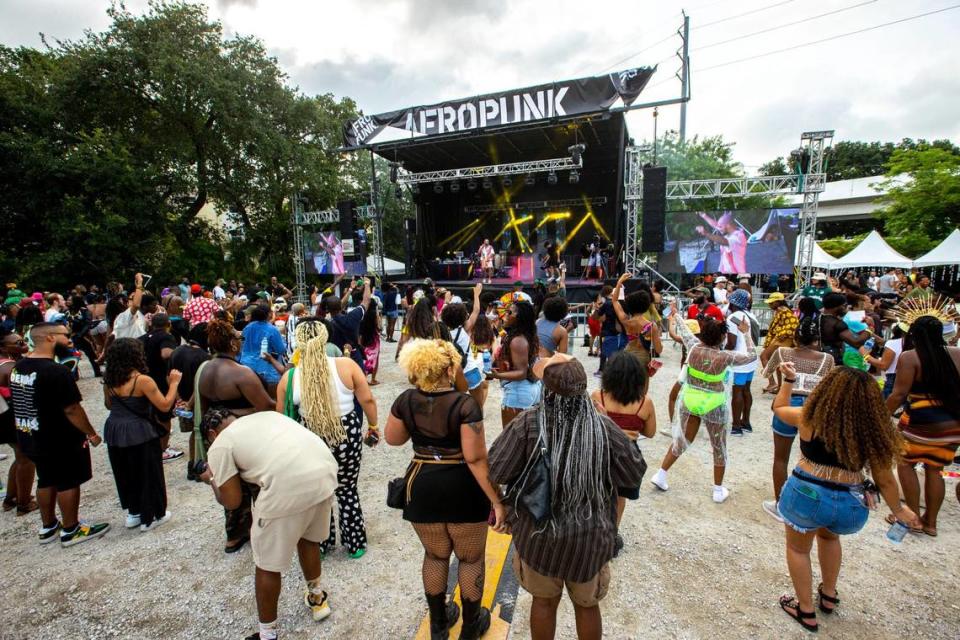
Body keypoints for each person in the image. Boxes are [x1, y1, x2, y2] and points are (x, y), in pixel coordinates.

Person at [489, 354, 646, 640]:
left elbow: (496, 468)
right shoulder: (603, 427)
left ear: (546, 390)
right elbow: (633, 474)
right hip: (589, 539)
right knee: (587, 606)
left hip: (539, 536)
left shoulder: (528, 424)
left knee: (544, 602)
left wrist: (501, 504)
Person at [771, 364, 920, 633]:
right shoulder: (871, 432)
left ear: (827, 391)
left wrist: (789, 380)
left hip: (807, 493)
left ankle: (805, 610)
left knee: (797, 549)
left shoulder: (808, 418)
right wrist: (899, 510)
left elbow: (779, 409)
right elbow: (885, 479)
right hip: (851, 504)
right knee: (830, 537)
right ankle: (828, 594)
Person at [385, 338, 505, 639]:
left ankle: (439, 625)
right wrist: (498, 501)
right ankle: (471, 624)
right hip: (463, 487)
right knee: (471, 558)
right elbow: (476, 458)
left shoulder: (405, 401)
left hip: (422, 485)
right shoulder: (464, 405)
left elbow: (393, 439)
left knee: (435, 556)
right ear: (450, 367)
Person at [198, 410, 337, 640]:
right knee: (308, 539)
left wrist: (211, 479)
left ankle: (267, 634)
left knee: (267, 564)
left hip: (285, 486)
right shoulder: (266, 416)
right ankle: (317, 598)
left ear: (211, 433)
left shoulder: (220, 444)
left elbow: (232, 501)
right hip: (324, 472)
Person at [276, 320, 378, 558]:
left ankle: (321, 544)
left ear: (298, 343)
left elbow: (280, 415)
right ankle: (355, 544)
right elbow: (368, 400)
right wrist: (373, 426)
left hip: (309, 436)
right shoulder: (346, 365)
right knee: (347, 489)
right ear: (325, 339)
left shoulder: (290, 377)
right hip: (345, 431)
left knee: (317, 493)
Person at [9, 323, 109, 546]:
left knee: (46, 478)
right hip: (58, 436)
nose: (70, 339)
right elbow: (72, 408)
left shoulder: (20, 367)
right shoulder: (56, 371)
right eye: (65, 336)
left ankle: (48, 525)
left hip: (31, 433)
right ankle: (71, 528)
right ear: (50, 338)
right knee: (68, 480)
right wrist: (91, 433)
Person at [653, 306, 756, 502]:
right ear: (722, 338)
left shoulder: (693, 347)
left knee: (682, 440)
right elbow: (751, 355)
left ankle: (661, 474)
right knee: (718, 446)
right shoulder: (725, 357)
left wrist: (675, 314)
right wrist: (746, 333)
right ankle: (718, 490)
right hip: (714, 403)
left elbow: (684, 330)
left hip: (690, 399)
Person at [198, 319, 275, 553]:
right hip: (244, 436)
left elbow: (204, 407)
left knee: (228, 480)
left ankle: (235, 534)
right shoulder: (240, 373)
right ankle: (266, 532)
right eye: (239, 339)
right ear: (232, 343)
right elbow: (266, 406)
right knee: (256, 483)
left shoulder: (204, 370)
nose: (241, 343)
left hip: (216, 437)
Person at [885, 315, 960, 537]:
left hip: (920, 422)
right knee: (935, 469)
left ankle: (912, 517)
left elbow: (898, 394)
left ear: (914, 335)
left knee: (906, 464)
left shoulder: (910, 357)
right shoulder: (957, 354)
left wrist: (880, 415)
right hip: (952, 423)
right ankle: (931, 523)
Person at [759, 317, 834, 522]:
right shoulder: (827, 359)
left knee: (780, 458)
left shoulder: (783, 352)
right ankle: (808, 504)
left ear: (796, 336)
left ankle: (780, 504)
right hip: (812, 409)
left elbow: (767, 372)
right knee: (811, 459)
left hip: (787, 403)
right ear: (816, 340)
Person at [102, 338, 180, 531]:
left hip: (115, 429)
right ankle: (152, 516)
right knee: (148, 472)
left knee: (125, 472)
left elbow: (108, 405)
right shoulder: (142, 380)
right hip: (139, 431)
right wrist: (174, 384)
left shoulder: (110, 379)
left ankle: (134, 512)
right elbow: (164, 405)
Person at [590, 351, 655, 552]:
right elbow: (650, 432)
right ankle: (611, 536)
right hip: (627, 455)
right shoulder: (645, 403)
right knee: (619, 498)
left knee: (596, 494)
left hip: (599, 450)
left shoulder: (597, 396)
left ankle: (592, 533)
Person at [139, 314, 184, 463]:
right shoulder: (166, 336)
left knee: (151, 414)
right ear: (168, 324)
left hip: (144, 379)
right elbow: (166, 353)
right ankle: (163, 450)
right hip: (160, 380)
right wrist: (178, 356)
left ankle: (155, 446)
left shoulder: (143, 337)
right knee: (164, 416)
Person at [1, 327, 36, 515]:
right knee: (26, 457)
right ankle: (23, 503)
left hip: (5, 415)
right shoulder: (9, 366)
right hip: (9, 416)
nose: (23, 344)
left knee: (19, 455)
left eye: (23, 340)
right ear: (4, 348)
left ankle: (11, 498)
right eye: (18, 343)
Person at [169, 323, 211, 480]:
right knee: (201, 432)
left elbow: (170, 377)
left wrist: (179, 399)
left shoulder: (177, 351)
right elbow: (199, 384)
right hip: (198, 402)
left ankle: (192, 465)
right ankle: (199, 466)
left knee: (194, 433)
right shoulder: (203, 357)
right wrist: (189, 403)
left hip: (182, 399)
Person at [489, 300, 540, 428]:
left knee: (510, 439)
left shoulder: (518, 340)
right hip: (528, 389)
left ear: (519, 317)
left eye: (509, 312)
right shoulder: (526, 335)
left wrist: (498, 375)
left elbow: (521, 373)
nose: (505, 314)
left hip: (519, 391)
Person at [610, 273, 663, 370]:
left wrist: (619, 282)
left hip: (628, 358)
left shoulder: (626, 321)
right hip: (643, 360)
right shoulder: (652, 326)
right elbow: (659, 349)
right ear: (646, 305)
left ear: (629, 306)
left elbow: (614, 301)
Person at [725, 290, 758, 436]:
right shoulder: (749, 315)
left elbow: (731, 343)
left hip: (739, 359)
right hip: (751, 357)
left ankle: (736, 426)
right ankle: (746, 422)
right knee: (746, 390)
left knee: (737, 391)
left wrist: (721, 352)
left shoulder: (733, 317)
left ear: (733, 302)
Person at [238, 305, 286, 396]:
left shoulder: (248, 327)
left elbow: (241, 345)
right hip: (267, 370)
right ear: (269, 314)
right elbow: (281, 350)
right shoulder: (272, 329)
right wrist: (283, 339)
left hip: (246, 367)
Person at [760, 292, 798, 394]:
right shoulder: (780, 311)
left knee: (763, 356)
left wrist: (782, 334)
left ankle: (772, 383)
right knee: (778, 363)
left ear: (778, 302)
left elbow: (794, 324)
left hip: (781, 340)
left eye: (772, 303)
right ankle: (780, 387)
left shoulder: (784, 311)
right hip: (779, 339)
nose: (770, 305)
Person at [818, 292, 870, 366]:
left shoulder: (816, 318)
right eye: (845, 306)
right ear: (836, 307)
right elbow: (856, 342)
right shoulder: (837, 324)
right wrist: (870, 328)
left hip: (816, 359)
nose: (846, 308)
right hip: (833, 361)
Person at [593, 285, 625, 375]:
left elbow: (598, 316)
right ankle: (615, 370)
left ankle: (602, 370)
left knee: (604, 350)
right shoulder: (620, 303)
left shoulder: (606, 304)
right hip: (619, 331)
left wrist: (596, 308)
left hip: (607, 330)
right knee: (615, 351)